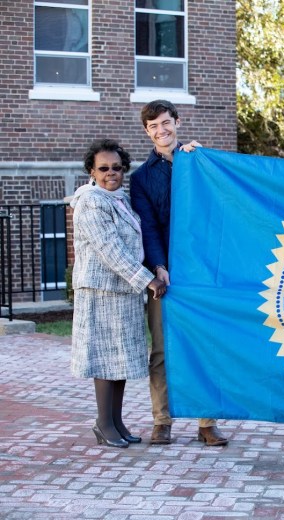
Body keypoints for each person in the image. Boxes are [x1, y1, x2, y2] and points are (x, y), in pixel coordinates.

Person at [129, 99, 229, 447]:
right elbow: (148, 227)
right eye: (154, 126)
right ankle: (162, 421)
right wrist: (158, 266)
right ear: (147, 131)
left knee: (203, 344)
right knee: (161, 349)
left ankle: (206, 423)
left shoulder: (198, 162)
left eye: (166, 122)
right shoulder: (141, 178)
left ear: (178, 122)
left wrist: (203, 160)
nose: (162, 130)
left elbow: (220, 209)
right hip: (165, 274)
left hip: (201, 272)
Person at [70, 139, 167, 448]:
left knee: (120, 360)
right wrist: (148, 280)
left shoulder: (119, 199)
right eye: (103, 168)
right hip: (100, 292)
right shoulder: (91, 200)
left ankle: (117, 422)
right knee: (105, 360)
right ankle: (103, 423)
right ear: (91, 171)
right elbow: (110, 249)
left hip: (123, 292)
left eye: (117, 167)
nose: (111, 173)